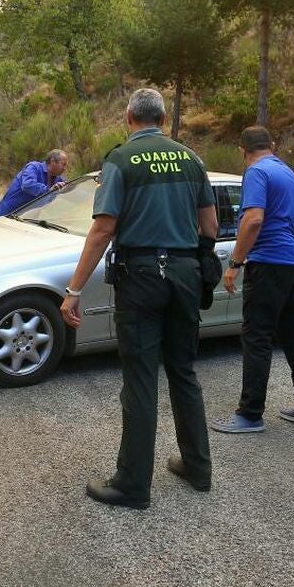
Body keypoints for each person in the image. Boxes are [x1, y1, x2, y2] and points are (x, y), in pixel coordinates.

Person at [60, 88, 218, 510]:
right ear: (163, 119)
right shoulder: (191, 158)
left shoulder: (120, 160)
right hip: (185, 275)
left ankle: (132, 484)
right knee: (183, 371)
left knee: (141, 379)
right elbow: (210, 224)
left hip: (143, 276)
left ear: (129, 117)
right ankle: (197, 467)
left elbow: (103, 228)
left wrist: (74, 290)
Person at [211, 126, 294, 434]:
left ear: (241, 150)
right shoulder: (286, 172)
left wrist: (234, 263)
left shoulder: (256, 172)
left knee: (257, 337)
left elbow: (254, 219)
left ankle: (250, 414)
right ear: (272, 145)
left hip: (271, 262)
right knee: (292, 336)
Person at [0, 149, 69, 217]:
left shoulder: (58, 179)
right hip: (6, 215)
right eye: (63, 164)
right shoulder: (33, 167)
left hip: (27, 219)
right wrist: (49, 190)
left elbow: (69, 191)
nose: (65, 168)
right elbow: (27, 185)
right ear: (52, 161)